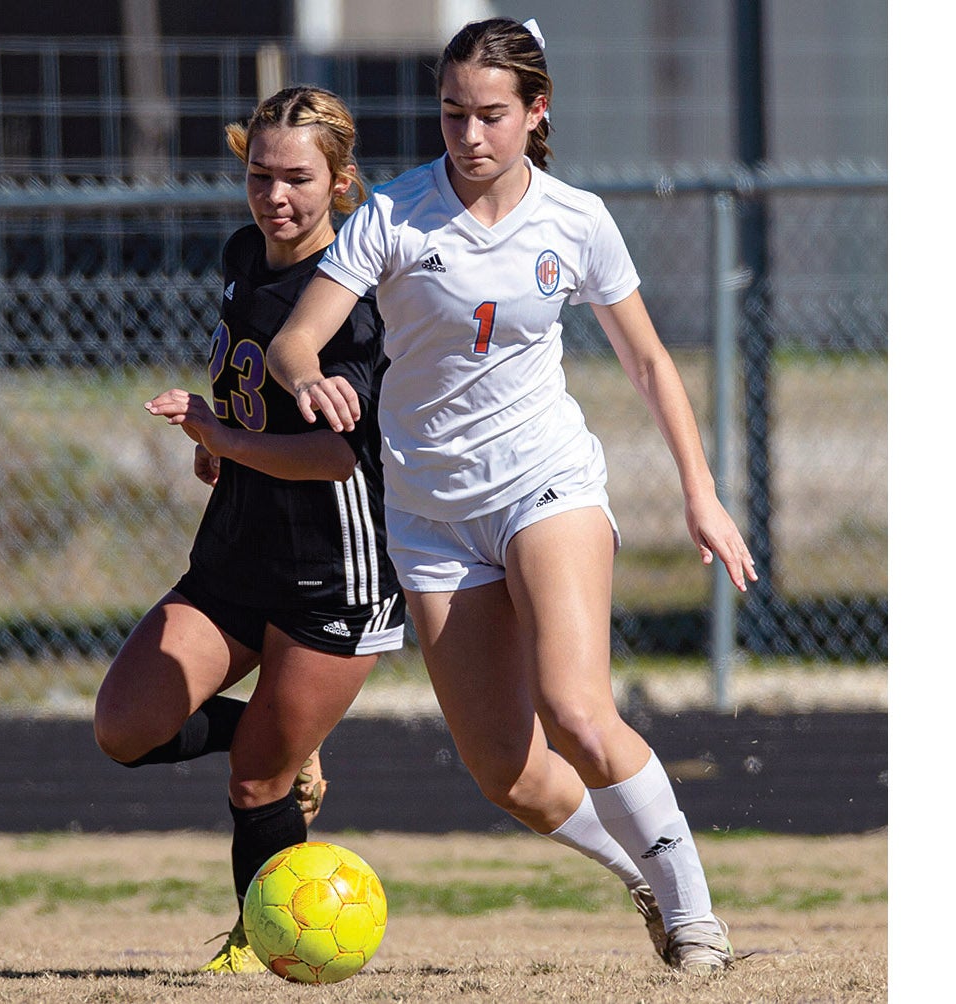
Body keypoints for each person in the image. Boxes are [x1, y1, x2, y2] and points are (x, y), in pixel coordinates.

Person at [267, 17, 757, 975]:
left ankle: (697, 921)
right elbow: (296, 340)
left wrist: (704, 494)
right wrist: (303, 379)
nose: (469, 135)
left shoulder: (575, 221)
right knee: (507, 774)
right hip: (429, 511)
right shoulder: (395, 217)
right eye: (452, 114)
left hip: (547, 482)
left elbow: (651, 362)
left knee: (575, 707)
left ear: (536, 114)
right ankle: (644, 873)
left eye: (491, 114)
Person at [92, 85, 404, 975]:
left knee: (256, 782)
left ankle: (262, 946)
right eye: (260, 175)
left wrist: (222, 434)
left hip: (333, 567)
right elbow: (250, 387)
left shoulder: (353, 298)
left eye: (300, 179)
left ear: (341, 183)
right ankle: (286, 738)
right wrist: (221, 440)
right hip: (238, 542)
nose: (277, 197)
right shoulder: (242, 254)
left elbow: (335, 460)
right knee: (126, 726)